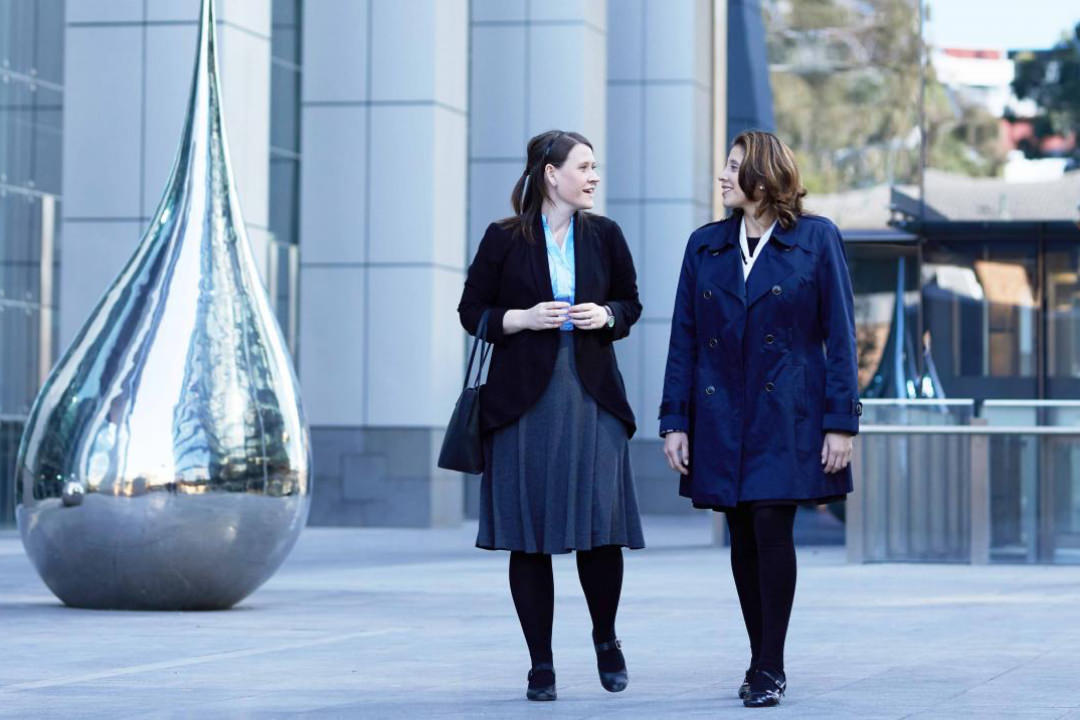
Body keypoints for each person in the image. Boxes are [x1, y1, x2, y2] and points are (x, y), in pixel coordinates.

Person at [658, 130, 861, 708]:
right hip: (720, 414)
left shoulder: (816, 239)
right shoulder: (705, 245)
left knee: (772, 527)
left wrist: (840, 422)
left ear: (766, 177)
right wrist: (675, 420)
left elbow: (840, 338)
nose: (723, 176)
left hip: (789, 413)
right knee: (742, 536)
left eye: (734, 166)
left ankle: (768, 665)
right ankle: (758, 656)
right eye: (724, 165)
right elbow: (685, 340)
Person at [457, 129, 645, 702]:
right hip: (522, 403)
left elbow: (632, 302)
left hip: (593, 398)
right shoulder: (504, 238)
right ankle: (540, 663)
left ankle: (606, 638)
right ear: (550, 174)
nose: (592, 177)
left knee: (600, 531)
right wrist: (523, 318)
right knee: (529, 538)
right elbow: (473, 312)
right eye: (584, 167)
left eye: (594, 168)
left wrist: (606, 314)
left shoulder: (605, 235)